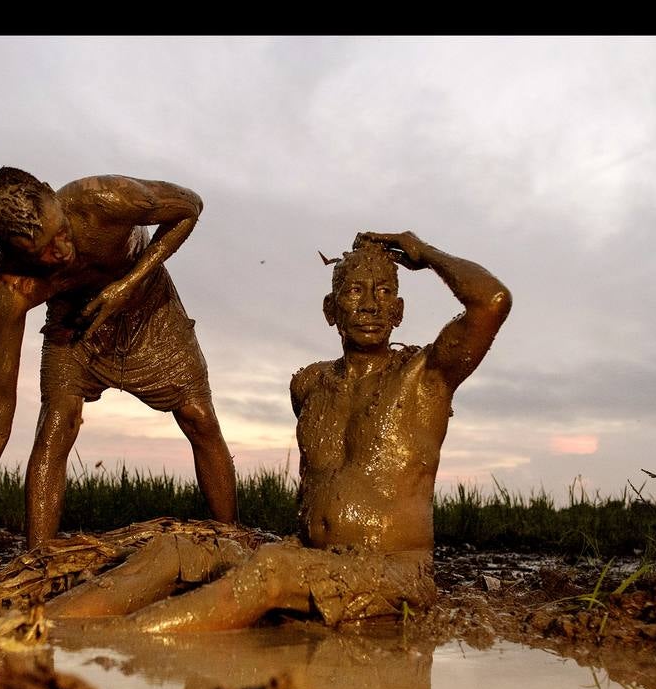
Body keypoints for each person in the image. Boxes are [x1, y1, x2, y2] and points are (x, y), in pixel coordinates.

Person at [47, 230, 512, 631]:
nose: (370, 304)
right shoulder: (309, 385)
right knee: (176, 550)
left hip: (394, 571)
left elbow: (492, 300)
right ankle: (41, 628)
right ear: (331, 310)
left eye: (383, 292)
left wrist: (422, 251)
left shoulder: (426, 377)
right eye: (354, 292)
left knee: (272, 570)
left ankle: (113, 645)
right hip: (311, 559)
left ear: (400, 309)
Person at [0, 168, 238, 560]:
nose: (61, 252)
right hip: (75, 320)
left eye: (61, 233)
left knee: (198, 416)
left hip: (145, 302)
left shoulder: (107, 198)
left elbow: (190, 207)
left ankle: (233, 538)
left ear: (54, 196)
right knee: (57, 423)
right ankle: (38, 562)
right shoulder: (11, 289)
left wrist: (128, 284)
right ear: (4, 247)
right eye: (43, 252)